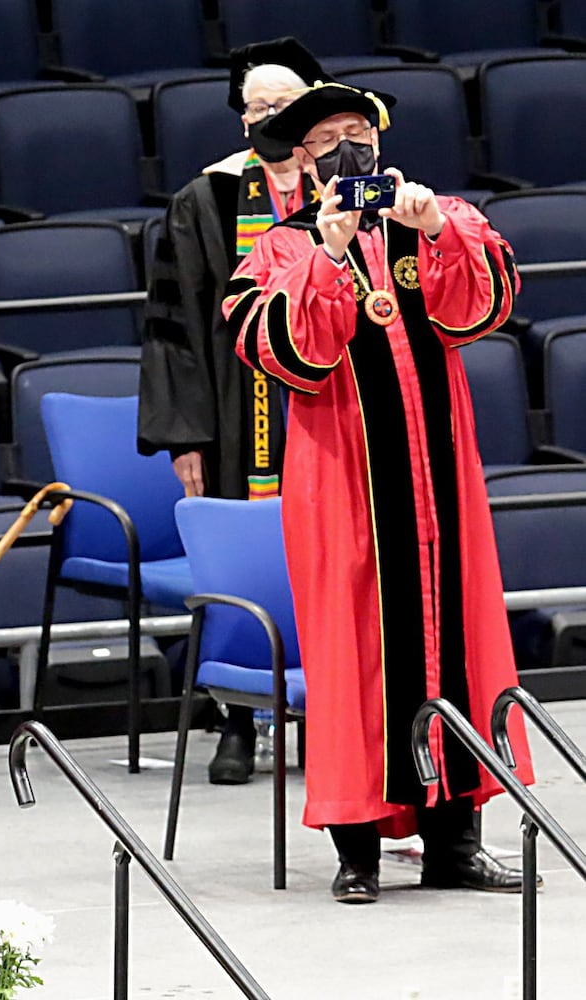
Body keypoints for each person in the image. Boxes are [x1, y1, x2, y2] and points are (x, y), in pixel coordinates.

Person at [224, 80, 535, 902]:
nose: (348, 147)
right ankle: (355, 850)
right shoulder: (279, 249)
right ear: (300, 156)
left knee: (455, 644)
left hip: (439, 482)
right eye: (327, 138)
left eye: (357, 130)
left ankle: (455, 844)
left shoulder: (433, 219)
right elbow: (288, 355)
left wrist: (433, 228)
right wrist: (328, 256)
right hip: (343, 489)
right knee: (355, 654)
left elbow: (479, 311)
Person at [138, 37, 324, 785]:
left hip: (327, 412)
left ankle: (331, 712)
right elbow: (173, 324)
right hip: (232, 410)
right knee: (238, 566)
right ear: (240, 120)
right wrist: (185, 437)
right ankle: (236, 719)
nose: (271, 116)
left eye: (285, 104)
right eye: (258, 106)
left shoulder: (346, 188)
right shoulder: (206, 198)